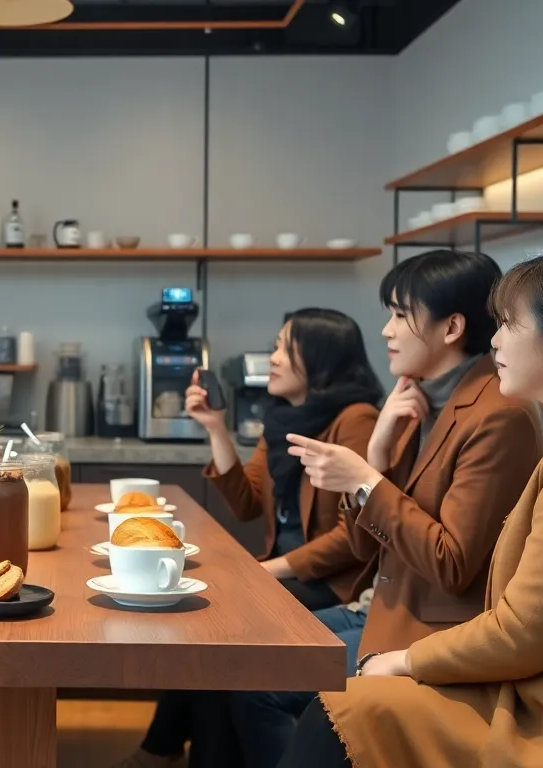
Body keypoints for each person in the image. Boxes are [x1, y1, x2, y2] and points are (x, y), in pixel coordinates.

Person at [281, 247, 543, 767]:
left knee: (341, 713)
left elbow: (522, 630)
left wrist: (404, 659)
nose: (494, 339)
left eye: (508, 323)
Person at [117, 308, 382, 767]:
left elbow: (352, 536)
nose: (272, 358)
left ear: (318, 359)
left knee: (217, 625)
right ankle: (175, 752)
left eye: (283, 346)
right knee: (211, 629)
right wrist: (215, 427)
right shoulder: (283, 418)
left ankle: (162, 750)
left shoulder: (356, 419)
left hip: (337, 580)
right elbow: (245, 501)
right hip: (289, 569)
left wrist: (264, 572)